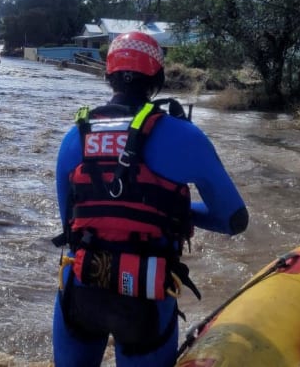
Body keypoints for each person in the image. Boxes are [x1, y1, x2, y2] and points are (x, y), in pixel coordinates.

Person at [51, 31, 248, 367]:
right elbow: (233, 220)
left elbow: (69, 219)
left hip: (81, 287)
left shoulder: (76, 136)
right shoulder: (186, 136)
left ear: (109, 75)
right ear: (157, 77)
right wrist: (175, 211)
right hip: (145, 293)